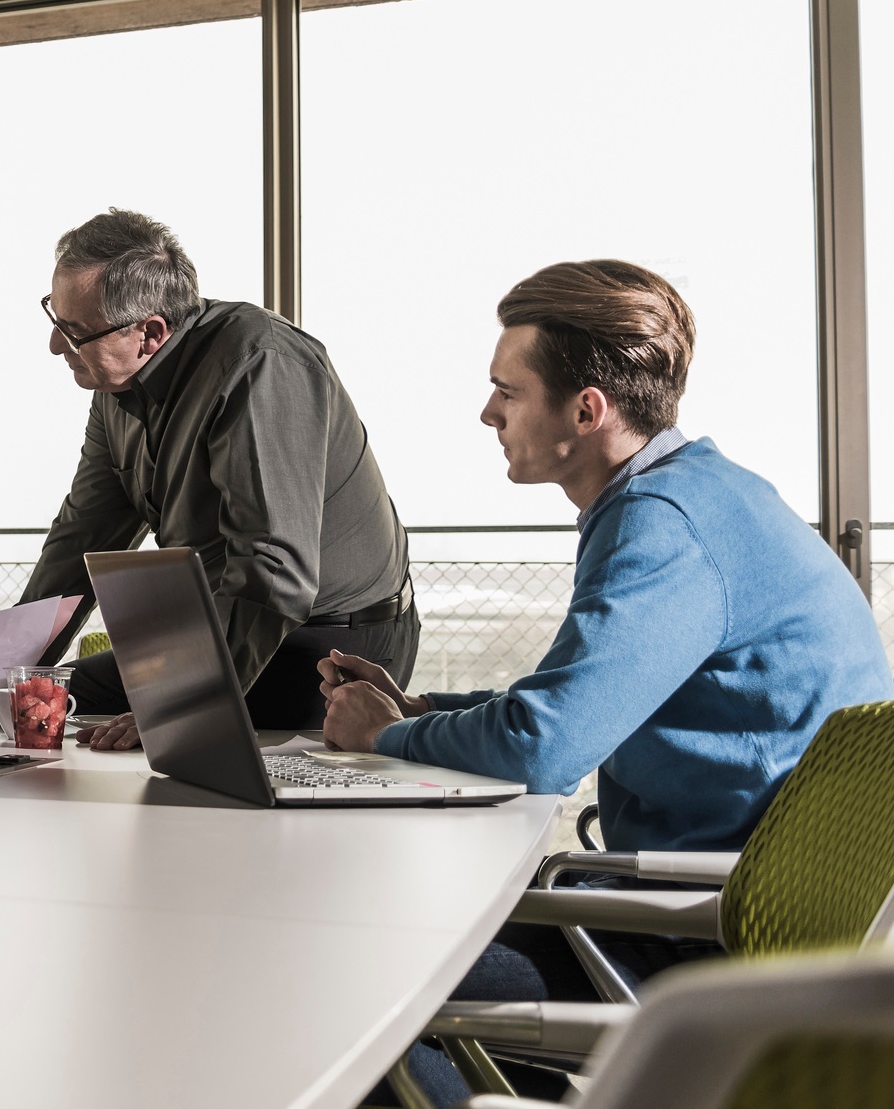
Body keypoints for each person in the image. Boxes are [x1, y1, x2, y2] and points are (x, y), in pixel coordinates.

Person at [319, 260, 892, 1105]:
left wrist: (382, 736)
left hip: (687, 939)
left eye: (506, 391)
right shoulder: (701, 492)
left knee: (358, 962)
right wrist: (419, 710)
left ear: (587, 410)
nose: (488, 412)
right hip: (713, 906)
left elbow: (543, 745)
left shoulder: (662, 523)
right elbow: (576, 698)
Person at [13, 209, 413, 748]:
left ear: (150, 333)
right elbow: (81, 537)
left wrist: (183, 706)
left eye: (74, 331)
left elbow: (273, 570)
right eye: (54, 319)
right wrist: (4, 673)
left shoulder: (259, 362)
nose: (56, 346)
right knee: (58, 696)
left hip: (329, 644)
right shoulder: (114, 393)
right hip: (221, 629)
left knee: (180, 758)